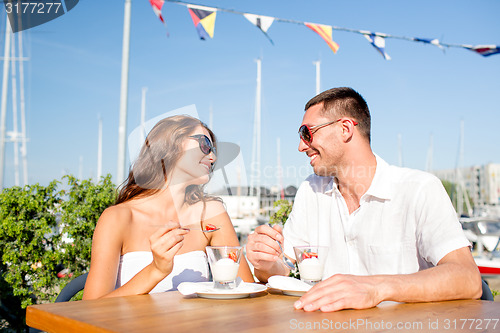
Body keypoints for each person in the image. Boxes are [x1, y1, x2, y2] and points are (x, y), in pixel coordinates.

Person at [246, 87, 482, 312]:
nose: (300, 146)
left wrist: (376, 288)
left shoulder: (419, 189)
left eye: (306, 133)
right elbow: (286, 269)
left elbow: (468, 279)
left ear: (345, 128)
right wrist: (266, 264)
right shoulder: (311, 190)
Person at [83, 115, 253, 299]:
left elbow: (247, 291)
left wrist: (264, 266)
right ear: (169, 144)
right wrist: (156, 270)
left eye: (213, 150)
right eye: (205, 145)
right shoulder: (119, 218)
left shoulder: (211, 214)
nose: (212, 157)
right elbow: (90, 307)